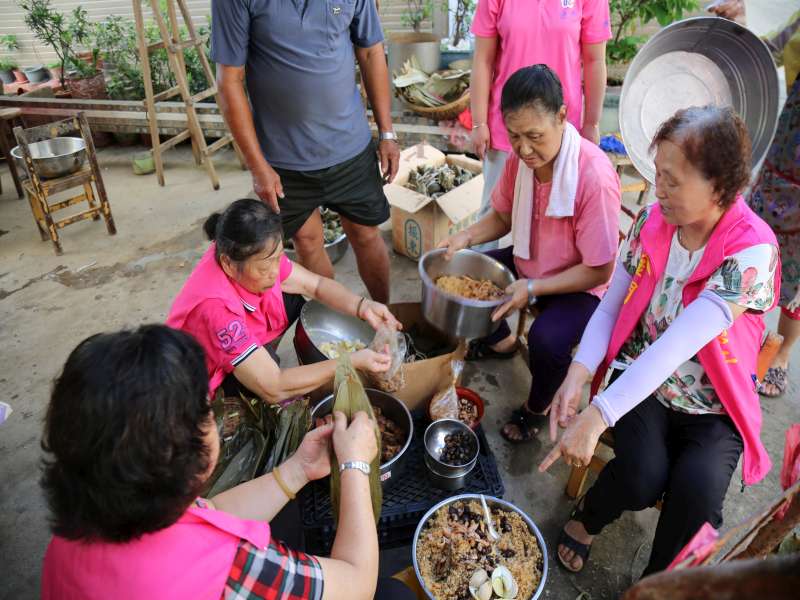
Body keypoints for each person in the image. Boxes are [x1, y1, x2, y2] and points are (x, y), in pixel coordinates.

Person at [539, 106, 781, 576]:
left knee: (698, 498)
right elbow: (611, 306)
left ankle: (654, 588)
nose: (658, 189)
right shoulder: (652, 222)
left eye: (673, 179)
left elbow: (678, 345)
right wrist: (579, 372)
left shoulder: (752, 250)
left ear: (719, 188)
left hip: (715, 403)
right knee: (639, 477)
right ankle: (588, 519)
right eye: (658, 173)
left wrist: (598, 414)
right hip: (645, 385)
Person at [40, 325, 415, 600]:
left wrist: (297, 469)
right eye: (206, 411)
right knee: (392, 595)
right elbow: (357, 584)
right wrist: (355, 465)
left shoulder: (83, 522)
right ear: (186, 457)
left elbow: (211, 511)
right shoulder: (228, 567)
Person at [438, 65, 620, 442]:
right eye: (515, 135)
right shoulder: (520, 163)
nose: (523, 148)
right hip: (528, 262)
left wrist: (533, 287)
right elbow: (503, 216)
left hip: (579, 286)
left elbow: (600, 271)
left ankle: (535, 409)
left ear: (562, 117)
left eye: (535, 135)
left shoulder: (593, 176)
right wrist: (464, 238)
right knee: (460, 280)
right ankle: (500, 341)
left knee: (547, 342)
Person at [212, 0, 398, 303]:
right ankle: (338, 328)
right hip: (282, 161)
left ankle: (385, 316)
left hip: (350, 147)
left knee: (366, 236)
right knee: (308, 242)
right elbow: (229, 80)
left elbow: (370, 51)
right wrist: (258, 166)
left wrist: (387, 133)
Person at [167, 199, 399, 404]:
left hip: (237, 325)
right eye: (265, 266)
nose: (275, 271)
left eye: (278, 258)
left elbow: (314, 285)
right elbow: (274, 386)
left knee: (292, 296)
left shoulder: (253, 252)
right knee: (262, 394)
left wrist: (363, 306)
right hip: (198, 377)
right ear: (228, 264)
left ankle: (260, 355)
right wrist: (352, 361)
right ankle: (245, 377)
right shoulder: (216, 309)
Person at [710, 0, 800, 397]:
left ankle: (779, 354)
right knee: (759, 242)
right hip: (788, 151)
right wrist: (741, 28)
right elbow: (775, 49)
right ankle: (743, 338)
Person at [469, 0, 611, 249]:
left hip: (558, 130)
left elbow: (594, 61)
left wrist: (592, 122)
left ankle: (546, 282)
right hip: (508, 130)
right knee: (493, 209)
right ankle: (479, 275)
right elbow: (483, 59)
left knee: (557, 217)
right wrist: (479, 122)